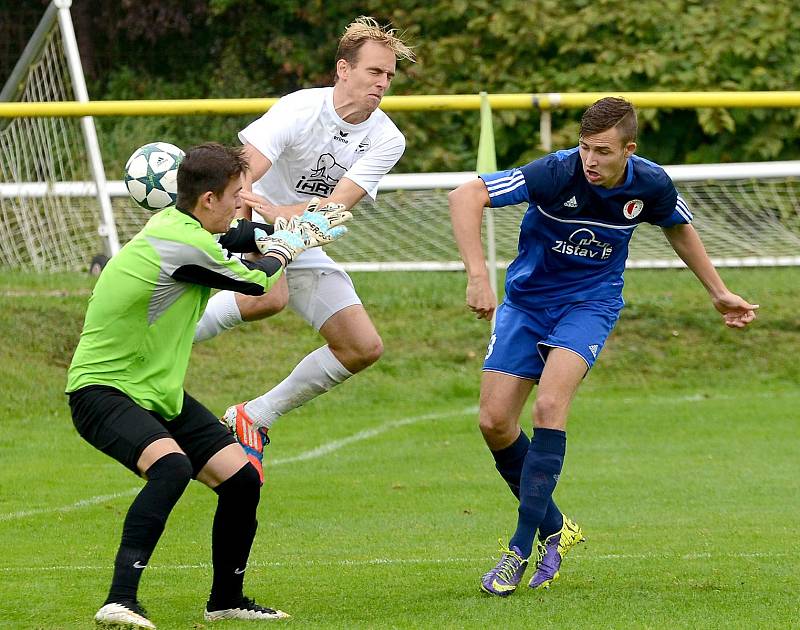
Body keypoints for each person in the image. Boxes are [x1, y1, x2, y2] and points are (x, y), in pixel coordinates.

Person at [448, 97, 759, 597]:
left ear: (628, 150)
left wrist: (719, 292)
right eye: (585, 147)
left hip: (589, 307)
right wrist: (477, 276)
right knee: (494, 422)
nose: (590, 160)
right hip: (526, 305)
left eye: (603, 151)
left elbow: (679, 227)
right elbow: (465, 195)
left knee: (550, 405)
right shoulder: (554, 172)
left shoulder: (650, 183)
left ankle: (519, 549)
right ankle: (557, 527)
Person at [66, 142, 349, 628]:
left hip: (156, 394)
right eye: (238, 194)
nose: (243, 202)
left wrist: (288, 228)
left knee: (240, 480)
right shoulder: (183, 243)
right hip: (103, 390)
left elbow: (245, 235)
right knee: (171, 468)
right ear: (208, 200)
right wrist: (289, 244)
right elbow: (258, 282)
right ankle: (120, 599)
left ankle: (226, 600)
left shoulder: (186, 228)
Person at [192, 17, 415, 475]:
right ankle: (152, 340)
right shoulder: (299, 110)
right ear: (343, 70)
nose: (382, 84)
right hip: (248, 217)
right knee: (268, 297)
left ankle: (253, 415)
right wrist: (253, 223)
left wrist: (287, 217)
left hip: (301, 236)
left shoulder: (388, 138)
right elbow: (242, 175)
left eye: (389, 76)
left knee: (362, 346)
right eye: (374, 72)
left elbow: (333, 210)